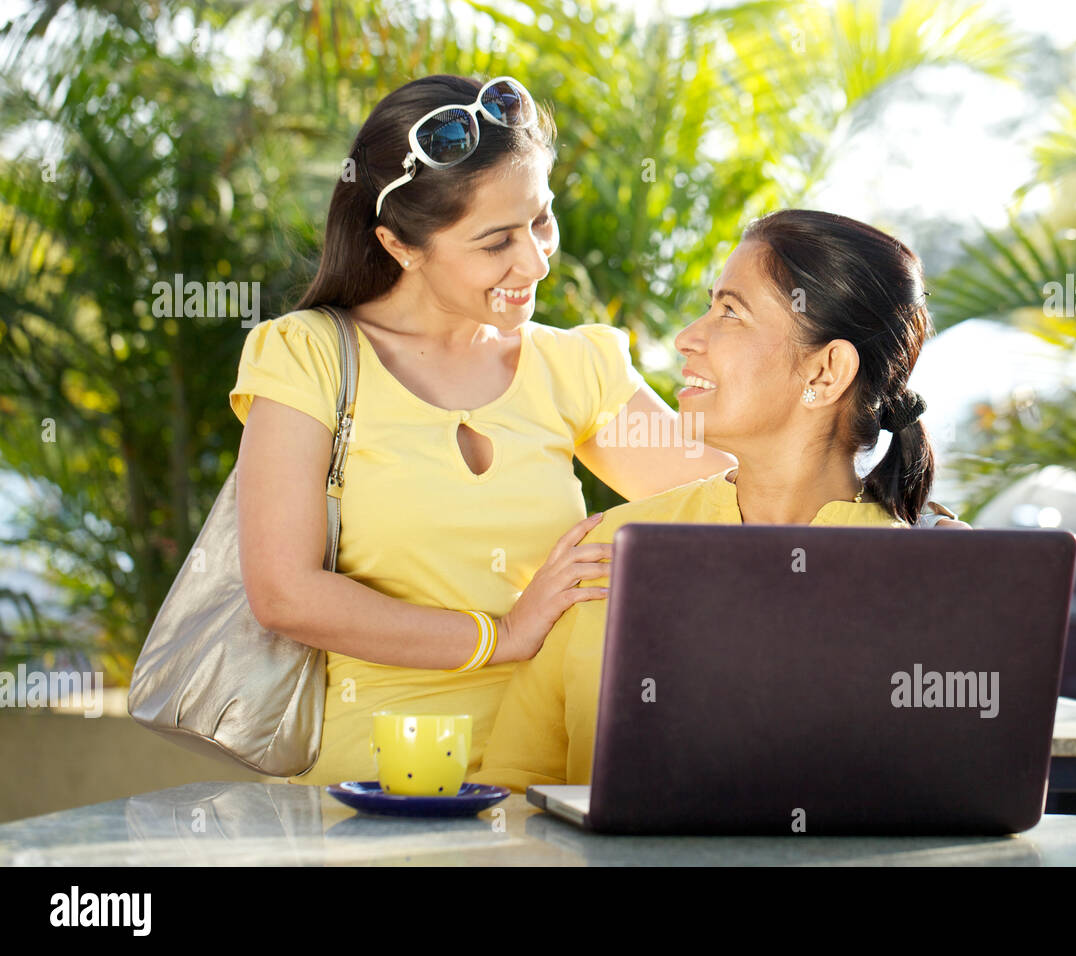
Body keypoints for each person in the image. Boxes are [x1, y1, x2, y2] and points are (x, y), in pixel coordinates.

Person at [228, 75, 734, 785]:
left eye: (541, 221)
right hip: (379, 794)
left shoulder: (575, 365)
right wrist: (504, 636)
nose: (534, 261)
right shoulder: (307, 355)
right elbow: (285, 593)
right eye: (496, 241)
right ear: (400, 245)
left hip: (558, 784)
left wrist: (899, 502)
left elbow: (736, 503)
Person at [471, 209, 968, 791]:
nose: (688, 337)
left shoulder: (931, 581)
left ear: (827, 371)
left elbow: (950, 802)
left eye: (731, 312)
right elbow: (516, 778)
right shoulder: (609, 550)